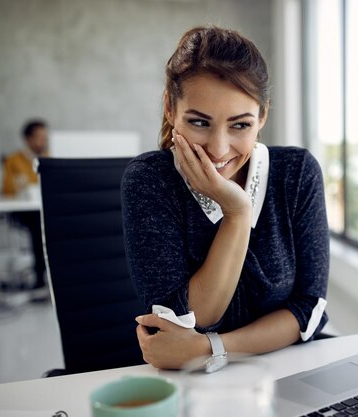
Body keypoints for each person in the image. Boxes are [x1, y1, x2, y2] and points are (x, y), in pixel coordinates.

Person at [122, 26, 329, 370]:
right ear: (170, 109)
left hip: (287, 368)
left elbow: (309, 309)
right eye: (200, 122)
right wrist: (236, 212)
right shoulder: (150, 180)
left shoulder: (297, 173)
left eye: (240, 125)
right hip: (192, 387)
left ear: (262, 116)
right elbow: (188, 320)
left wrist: (212, 349)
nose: (218, 149)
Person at [2, 119, 49, 299]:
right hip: (23, 211)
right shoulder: (13, 161)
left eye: (45, 138)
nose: (43, 142)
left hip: (42, 208)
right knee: (40, 229)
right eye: (39, 138)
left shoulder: (47, 158)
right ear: (28, 139)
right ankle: (39, 277)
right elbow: (6, 190)